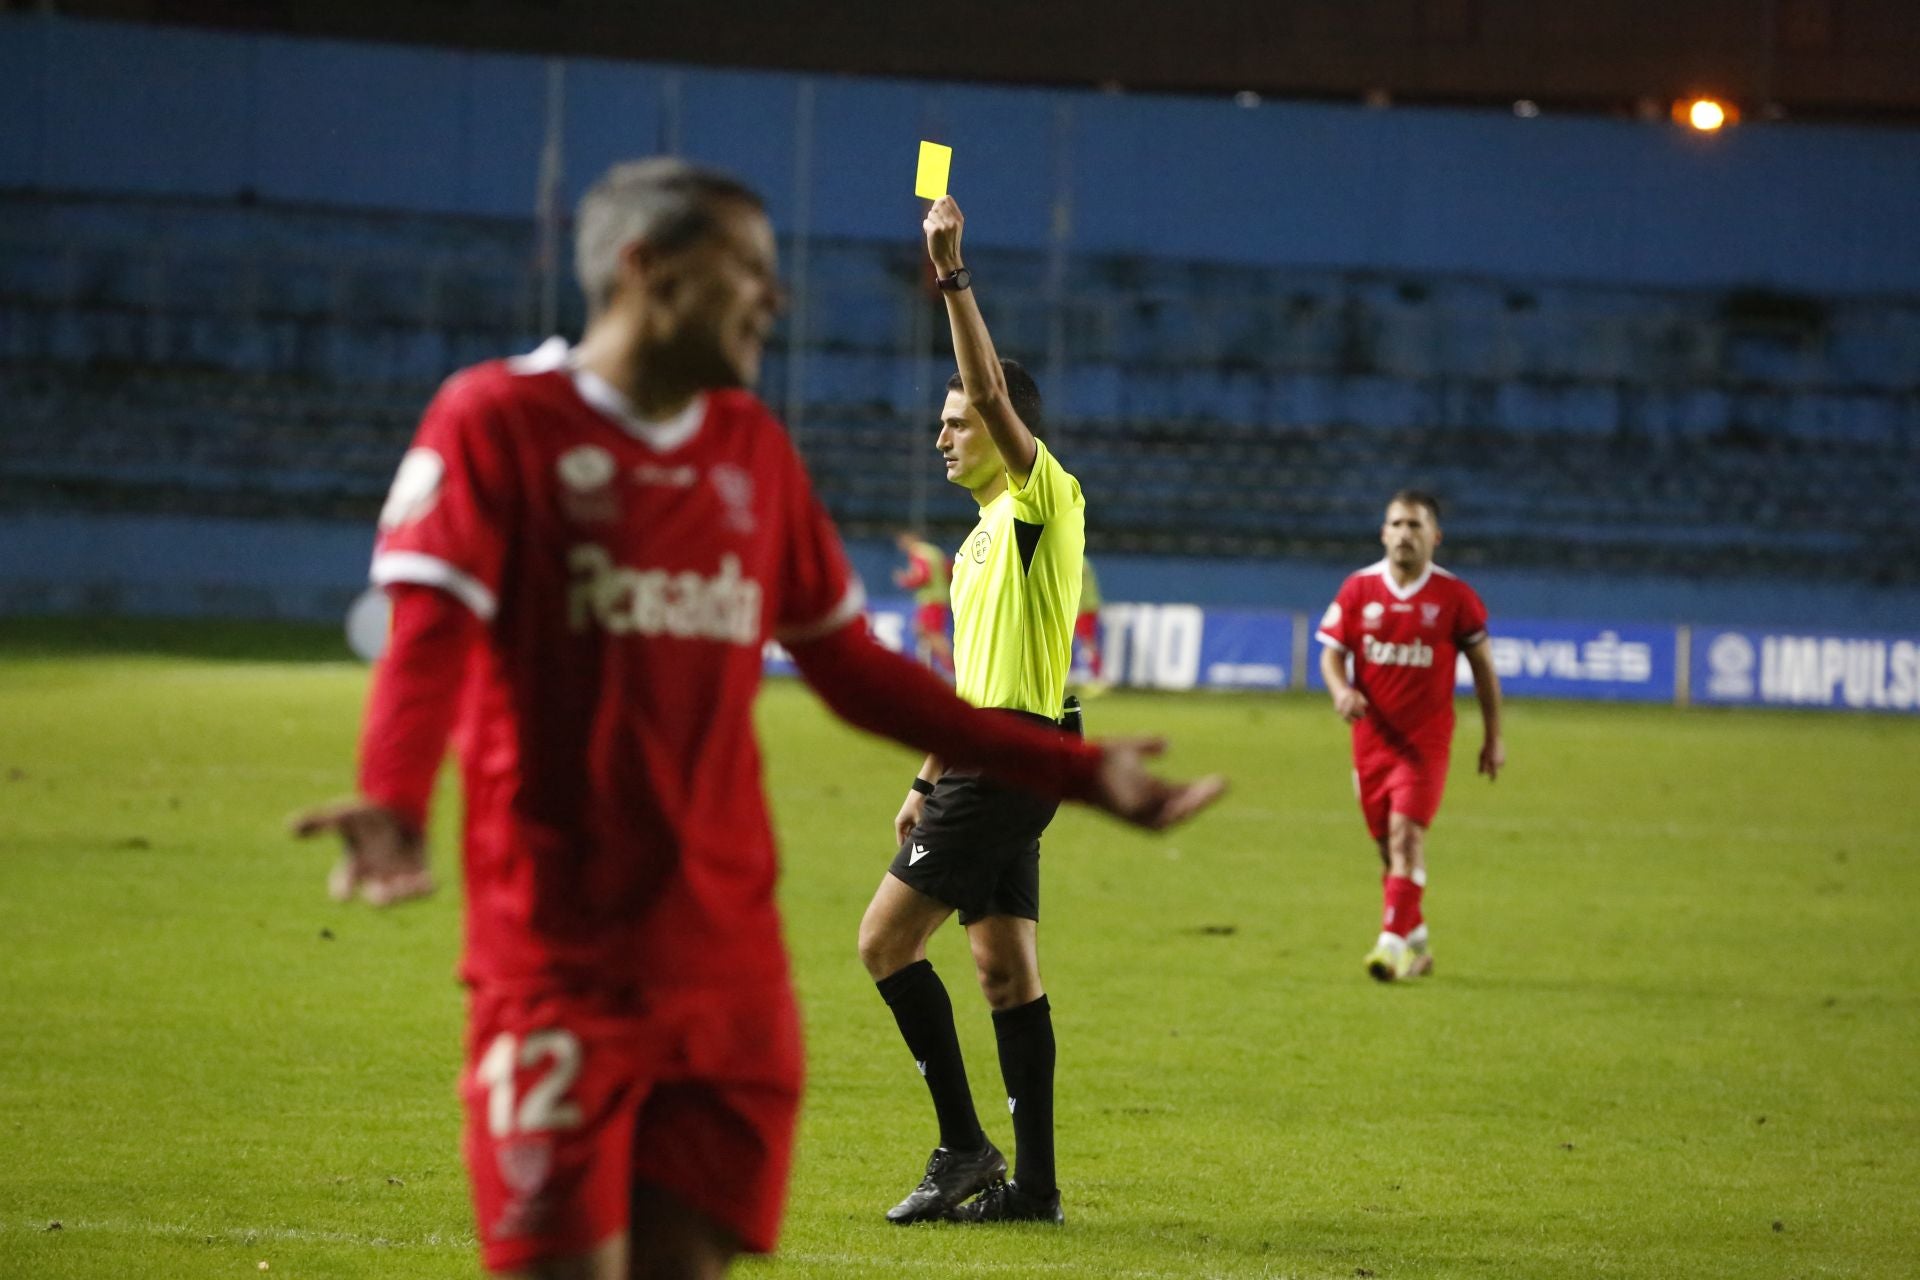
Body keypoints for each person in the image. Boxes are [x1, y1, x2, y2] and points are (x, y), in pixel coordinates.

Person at [291, 158, 1225, 1280]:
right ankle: (1003, 1163)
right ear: (649, 271)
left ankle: (995, 1160)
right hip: (558, 955)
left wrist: (1064, 767)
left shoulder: (758, 458)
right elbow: (429, 623)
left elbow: (855, 668)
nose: (772, 300)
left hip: (730, 970)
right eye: (747, 271)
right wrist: (394, 794)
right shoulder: (497, 421)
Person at [857, 194, 1094, 1229]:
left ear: (1007, 430)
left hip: (1017, 752)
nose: (944, 435)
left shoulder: (1044, 504)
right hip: (988, 753)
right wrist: (922, 777)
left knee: (883, 943)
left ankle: (963, 1146)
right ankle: (1032, 1190)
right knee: (1003, 966)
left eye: (958, 421)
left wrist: (951, 272)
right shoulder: (973, 547)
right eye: (943, 422)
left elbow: (994, 385)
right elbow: (964, 681)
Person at [1315, 490, 1504, 983]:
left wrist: (1493, 737)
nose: (1404, 533)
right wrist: (1340, 691)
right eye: (1396, 524)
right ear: (1383, 532)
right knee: (1387, 848)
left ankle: (1389, 946)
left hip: (1425, 744)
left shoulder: (1454, 597)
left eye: (1415, 526)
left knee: (1405, 837)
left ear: (1434, 537)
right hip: (1371, 743)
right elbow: (1332, 652)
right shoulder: (1358, 590)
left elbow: (1483, 668)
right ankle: (1416, 941)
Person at [892, 529, 954, 676]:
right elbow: (949, 570)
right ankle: (929, 668)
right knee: (921, 630)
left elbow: (923, 576)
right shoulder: (934, 551)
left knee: (933, 634)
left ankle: (951, 669)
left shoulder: (918, 553)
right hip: (939, 597)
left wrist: (905, 580)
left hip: (931, 599)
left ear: (909, 539)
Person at [1071, 553, 1104, 687]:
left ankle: (1098, 678)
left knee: (1087, 643)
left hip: (1085, 608)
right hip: (1084, 608)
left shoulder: (1079, 562)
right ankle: (1072, 674)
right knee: (1073, 642)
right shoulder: (1081, 560)